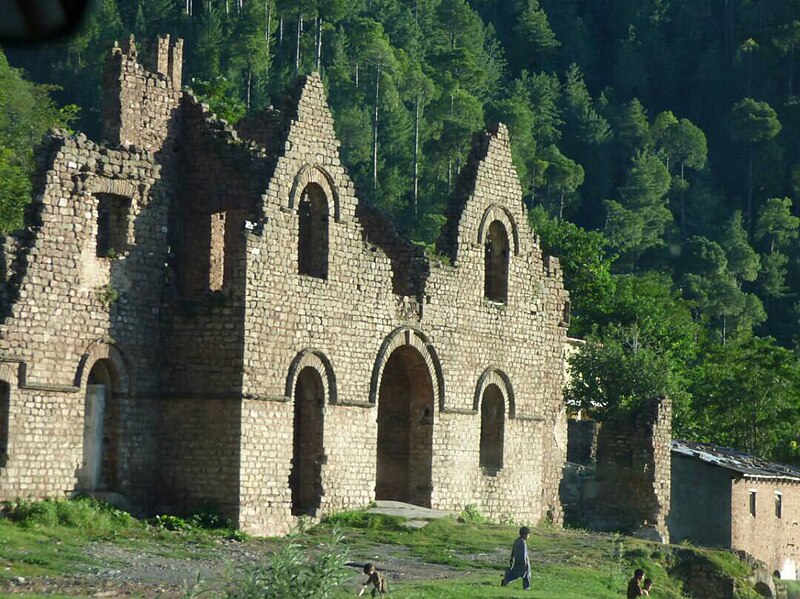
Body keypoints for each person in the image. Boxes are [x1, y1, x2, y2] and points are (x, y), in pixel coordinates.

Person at [501, 526, 531, 591]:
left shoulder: (516, 541)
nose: (528, 537)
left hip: (517, 560)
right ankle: (526, 587)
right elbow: (524, 553)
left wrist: (512, 558)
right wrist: (525, 562)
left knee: (518, 573)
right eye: (528, 535)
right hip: (523, 561)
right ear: (524, 535)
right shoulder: (523, 542)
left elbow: (513, 551)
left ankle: (507, 581)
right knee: (525, 573)